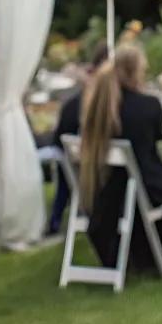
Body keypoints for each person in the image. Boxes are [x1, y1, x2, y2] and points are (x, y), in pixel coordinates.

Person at [79, 42, 162, 270]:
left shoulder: (102, 107)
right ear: (137, 71)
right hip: (140, 188)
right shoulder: (149, 105)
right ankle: (154, 255)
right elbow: (161, 135)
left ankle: (136, 252)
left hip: (105, 190)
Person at [46, 44, 107, 236]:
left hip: (67, 148)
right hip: (77, 151)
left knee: (67, 176)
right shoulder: (97, 93)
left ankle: (56, 219)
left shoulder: (87, 87)